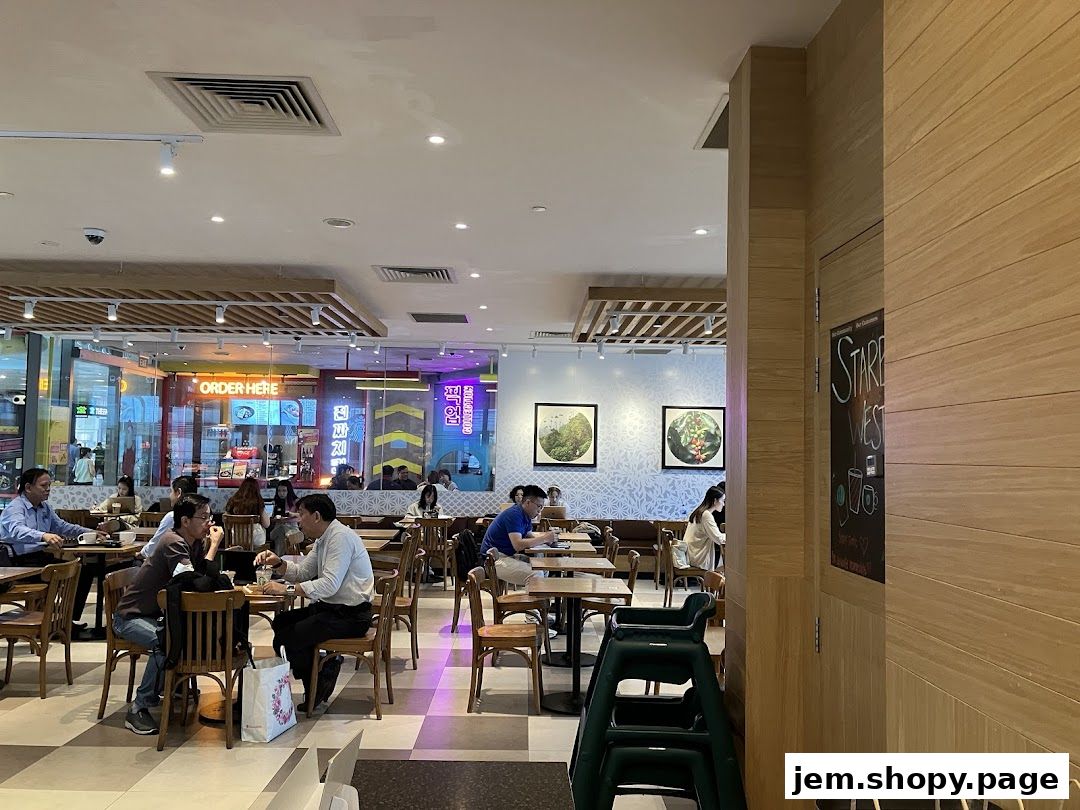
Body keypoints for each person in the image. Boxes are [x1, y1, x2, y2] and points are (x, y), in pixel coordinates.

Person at [113, 494, 223, 735]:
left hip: (156, 614)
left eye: (210, 517)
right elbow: (192, 584)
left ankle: (172, 684)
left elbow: (199, 578)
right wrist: (213, 547)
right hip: (130, 617)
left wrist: (207, 547)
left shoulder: (193, 542)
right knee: (165, 641)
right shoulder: (173, 541)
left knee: (182, 634)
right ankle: (138, 708)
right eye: (204, 517)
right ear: (185, 520)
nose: (209, 523)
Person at [255, 494, 375, 712]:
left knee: (287, 638)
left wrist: (287, 589)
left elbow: (330, 585)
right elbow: (303, 572)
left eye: (301, 515)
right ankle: (322, 670)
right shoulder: (324, 539)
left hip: (351, 615)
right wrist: (279, 563)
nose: (298, 520)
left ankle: (320, 676)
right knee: (282, 622)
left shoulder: (340, 538)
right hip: (331, 609)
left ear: (317, 516)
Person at [0, 468, 105, 631]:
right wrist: (43, 536)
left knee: (82, 571)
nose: (48, 489)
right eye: (44, 485)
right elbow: (16, 530)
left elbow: (62, 526)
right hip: (17, 563)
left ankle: (66, 620)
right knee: (60, 573)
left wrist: (90, 532)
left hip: (38, 557)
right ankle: (53, 622)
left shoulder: (44, 507)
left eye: (49, 485)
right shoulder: (15, 507)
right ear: (28, 487)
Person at [479, 484, 558, 586]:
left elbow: (529, 536)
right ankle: (534, 602)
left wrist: (547, 541)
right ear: (528, 502)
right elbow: (518, 544)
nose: (539, 511)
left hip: (506, 556)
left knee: (543, 567)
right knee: (536, 574)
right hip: (493, 560)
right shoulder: (514, 514)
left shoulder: (525, 515)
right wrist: (544, 538)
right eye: (539, 506)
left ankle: (540, 601)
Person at [140, 475, 198, 561]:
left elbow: (154, 547)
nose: (170, 496)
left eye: (171, 491)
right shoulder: (198, 517)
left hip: (168, 565)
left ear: (178, 492)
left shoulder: (173, 517)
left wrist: (140, 554)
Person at [674, 486, 725, 570]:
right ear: (715, 501)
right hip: (697, 556)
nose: (723, 504)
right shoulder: (706, 515)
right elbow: (718, 538)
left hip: (690, 553)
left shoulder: (699, 512)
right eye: (722, 501)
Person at [224, 477, 269, 547]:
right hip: (255, 540)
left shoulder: (233, 501)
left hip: (236, 539)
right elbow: (267, 524)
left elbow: (228, 526)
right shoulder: (258, 502)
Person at [268, 479, 300, 555]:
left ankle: (279, 558)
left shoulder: (296, 502)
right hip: (278, 527)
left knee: (282, 535)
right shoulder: (275, 502)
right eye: (279, 491)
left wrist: (292, 514)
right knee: (282, 530)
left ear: (289, 491)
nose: (281, 493)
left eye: (284, 491)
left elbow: (302, 516)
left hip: (292, 527)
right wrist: (275, 519)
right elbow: (270, 518)